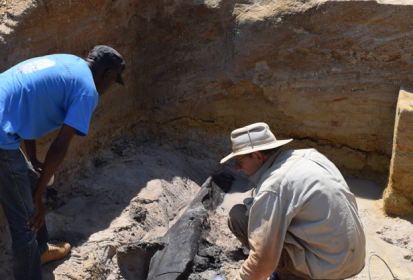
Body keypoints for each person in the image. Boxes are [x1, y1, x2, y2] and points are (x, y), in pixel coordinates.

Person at [0, 45, 126, 280]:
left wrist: (33, 159)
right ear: (108, 74)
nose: (110, 88)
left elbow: (29, 106)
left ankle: (40, 250)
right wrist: (37, 198)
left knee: (27, 178)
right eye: (114, 81)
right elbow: (60, 146)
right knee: (26, 221)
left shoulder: (70, 62)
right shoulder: (88, 91)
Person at [221, 123, 366, 280]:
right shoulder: (311, 155)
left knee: (238, 216)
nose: (238, 169)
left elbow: (262, 261)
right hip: (354, 259)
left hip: (328, 272)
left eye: (239, 162)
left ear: (257, 156)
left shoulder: (274, 185)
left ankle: (292, 277)